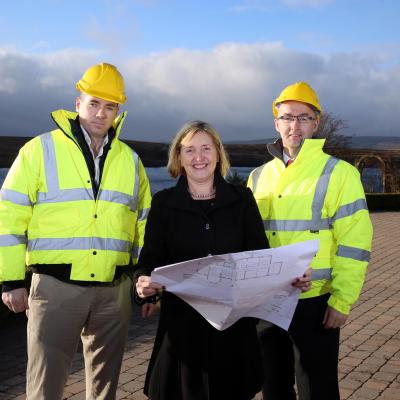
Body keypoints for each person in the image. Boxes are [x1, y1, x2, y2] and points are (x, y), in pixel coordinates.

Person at [0, 62, 152, 399]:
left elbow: (144, 223)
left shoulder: (131, 160)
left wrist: (142, 277)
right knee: (45, 387)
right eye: (94, 103)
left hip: (114, 292)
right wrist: (10, 280)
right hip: (55, 290)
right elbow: (8, 217)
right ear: (77, 102)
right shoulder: (39, 150)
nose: (101, 113)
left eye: (109, 106)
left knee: (104, 389)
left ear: (118, 110)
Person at [134, 120, 311, 400]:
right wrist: (142, 285)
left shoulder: (242, 199)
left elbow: (260, 258)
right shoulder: (164, 203)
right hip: (182, 332)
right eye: (189, 150)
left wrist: (290, 278)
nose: (199, 157)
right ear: (178, 157)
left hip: (233, 330)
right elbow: (149, 262)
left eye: (206, 148)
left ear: (218, 154)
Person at [247, 81, 373, 400]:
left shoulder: (340, 174)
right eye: (288, 117)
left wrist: (342, 301)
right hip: (268, 299)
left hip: (315, 301)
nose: (295, 126)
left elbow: (354, 243)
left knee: (317, 388)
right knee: (273, 385)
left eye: (304, 117)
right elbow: (249, 240)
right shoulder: (258, 176)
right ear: (276, 122)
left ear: (316, 123)